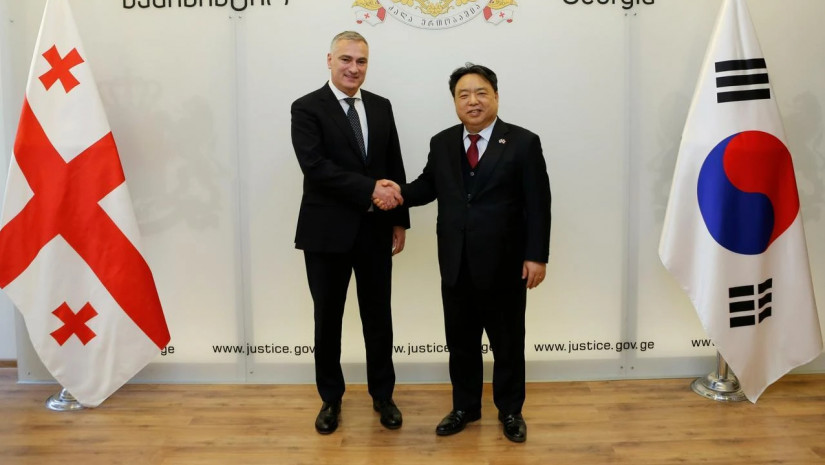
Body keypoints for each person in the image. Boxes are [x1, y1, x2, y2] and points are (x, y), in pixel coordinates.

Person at [376, 63, 551, 443]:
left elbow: (538, 204)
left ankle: (510, 411)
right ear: (455, 101)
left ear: (496, 96)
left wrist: (536, 256)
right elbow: (428, 185)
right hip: (456, 262)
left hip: (506, 264)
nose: (473, 101)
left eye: (481, 92)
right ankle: (465, 408)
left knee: (507, 343)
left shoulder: (523, 142)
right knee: (461, 343)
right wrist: (398, 192)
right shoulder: (442, 143)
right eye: (464, 95)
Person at [291, 30, 408, 435]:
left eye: (361, 61)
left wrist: (399, 219)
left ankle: (383, 396)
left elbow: (393, 161)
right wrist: (370, 188)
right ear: (329, 60)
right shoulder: (306, 108)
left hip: (375, 230)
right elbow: (316, 167)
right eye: (346, 59)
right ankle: (331, 399)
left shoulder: (381, 106)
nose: (353, 68)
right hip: (325, 234)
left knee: (378, 317)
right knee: (328, 319)